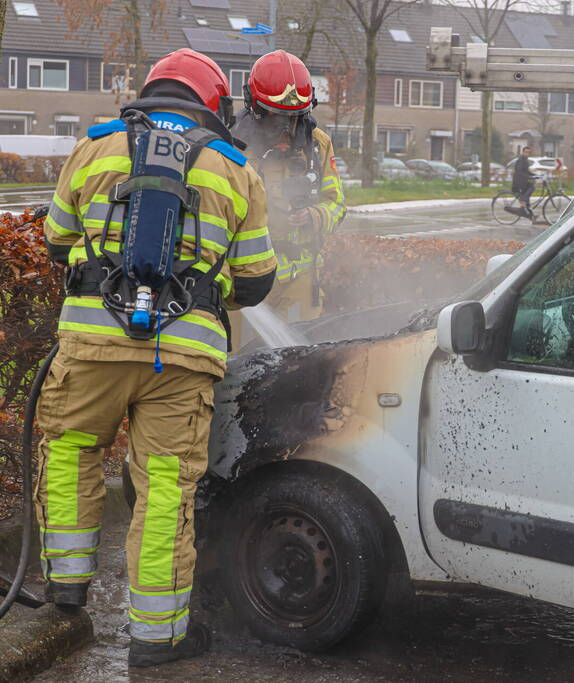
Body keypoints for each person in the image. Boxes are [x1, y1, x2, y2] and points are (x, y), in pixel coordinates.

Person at [39, 48, 276, 667]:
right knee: (165, 488)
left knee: (69, 451)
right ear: (213, 103)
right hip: (183, 356)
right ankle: (155, 635)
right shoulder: (234, 168)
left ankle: (65, 584)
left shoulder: (95, 146)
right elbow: (255, 278)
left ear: (151, 88)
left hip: (90, 343)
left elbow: (56, 237)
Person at [232, 49, 346, 323]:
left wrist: (314, 216)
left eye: (293, 119)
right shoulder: (230, 145)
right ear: (255, 108)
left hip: (300, 281)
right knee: (235, 359)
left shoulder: (317, 144)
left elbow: (337, 205)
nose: (286, 131)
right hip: (241, 279)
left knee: (299, 360)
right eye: (275, 119)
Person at [506, 145, 537, 219]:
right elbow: (519, 171)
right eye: (526, 152)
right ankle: (523, 205)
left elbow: (526, 171)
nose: (527, 154)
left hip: (523, 181)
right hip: (519, 182)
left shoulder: (525, 160)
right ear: (523, 152)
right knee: (531, 188)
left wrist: (534, 175)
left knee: (530, 188)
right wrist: (528, 177)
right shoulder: (521, 160)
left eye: (528, 152)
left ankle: (528, 213)